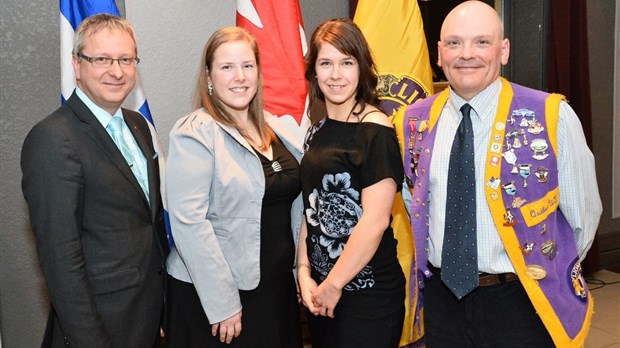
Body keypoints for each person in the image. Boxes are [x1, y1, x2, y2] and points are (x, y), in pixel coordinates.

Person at [398, 1, 603, 347]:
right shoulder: (413, 121)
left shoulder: (552, 116)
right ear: (438, 53)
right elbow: (414, 205)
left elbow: (583, 218)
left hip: (522, 303)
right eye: (453, 43)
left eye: (482, 42)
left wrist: (543, 270)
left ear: (503, 50)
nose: (466, 54)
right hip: (442, 302)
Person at [21, 14, 169, 347]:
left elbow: (148, 224)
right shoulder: (53, 139)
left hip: (144, 318)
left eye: (126, 59)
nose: (116, 71)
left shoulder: (138, 127)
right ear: (77, 64)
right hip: (98, 328)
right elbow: (61, 260)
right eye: (102, 59)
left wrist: (161, 309)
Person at [164, 26, 303, 348]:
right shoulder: (195, 133)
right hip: (220, 296)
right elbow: (189, 223)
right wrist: (222, 304)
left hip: (275, 287)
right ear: (209, 76)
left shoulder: (277, 129)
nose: (239, 76)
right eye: (227, 67)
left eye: (247, 65)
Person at [297, 18, 406, 348]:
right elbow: (310, 208)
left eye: (346, 62)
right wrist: (302, 270)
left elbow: (374, 221)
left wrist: (334, 284)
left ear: (361, 68)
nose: (335, 74)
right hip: (321, 293)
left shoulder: (376, 129)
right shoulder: (316, 130)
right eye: (325, 63)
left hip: (368, 299)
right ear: (314, 71)